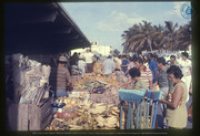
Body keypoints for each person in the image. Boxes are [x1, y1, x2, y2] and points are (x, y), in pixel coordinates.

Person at [157, 57, 172, 128]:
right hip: (161, 89)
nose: (156, 64)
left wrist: (169, 93)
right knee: (162, 107)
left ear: (160, 63)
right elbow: (159, 81)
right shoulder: (160, 71)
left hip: (166, 89)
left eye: (157, 63)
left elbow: (170, 82)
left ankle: (166, 124)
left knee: (166, 107)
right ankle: (165, 122)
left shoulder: (167, 70)